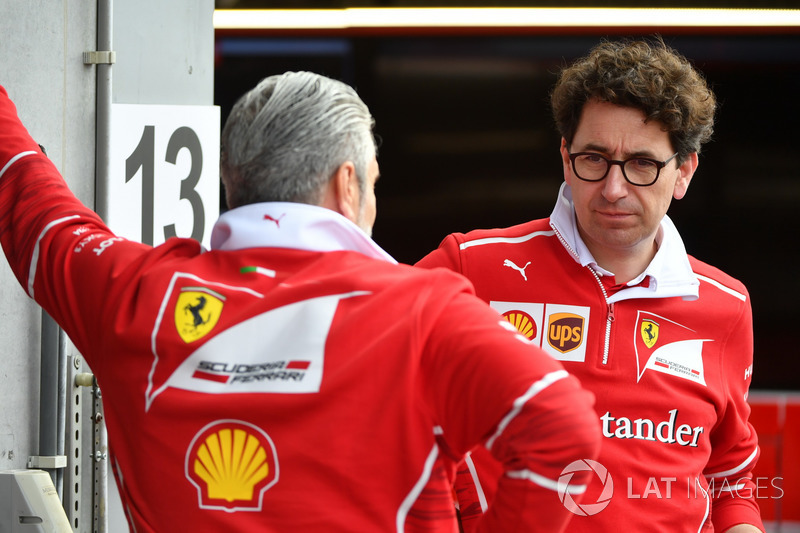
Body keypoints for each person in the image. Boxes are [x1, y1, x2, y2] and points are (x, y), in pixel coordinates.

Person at [0, 71, 600, 532]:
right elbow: (563, 427)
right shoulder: (423, 310)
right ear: (348, 184)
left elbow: (30, 201)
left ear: (233, 180)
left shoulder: (132, 293)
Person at [417, 38, 764, 532]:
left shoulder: (726, 304)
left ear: (683, 171)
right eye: (594, 158)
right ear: (565, 157)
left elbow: (731, 475)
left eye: (642, 164)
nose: (614, 188)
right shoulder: (470, 266)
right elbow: (367, 375)